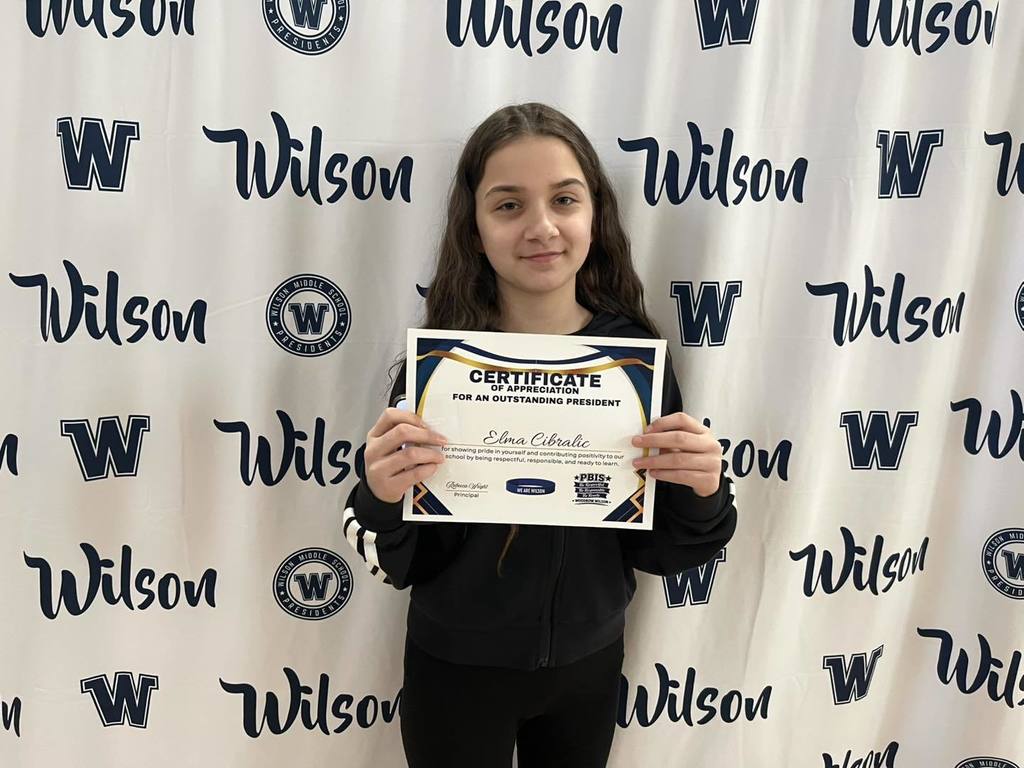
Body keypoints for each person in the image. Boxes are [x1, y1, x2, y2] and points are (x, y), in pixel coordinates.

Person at [341, 102, 738, 768]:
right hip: (455, 670)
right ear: (474, 226)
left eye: (564, 199)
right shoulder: (439, 371)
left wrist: (702, 491)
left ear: (595, 214)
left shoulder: (634, 359)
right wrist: (380, 497)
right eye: (508, 205)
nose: (542, 227)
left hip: (588, 666)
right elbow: (401, 562)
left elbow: (665, 551)